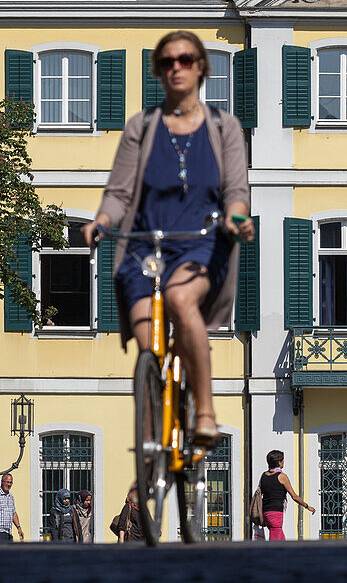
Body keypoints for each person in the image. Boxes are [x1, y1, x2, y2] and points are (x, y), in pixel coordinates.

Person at [82, 30, 254, 446]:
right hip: (145, 244)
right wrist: (101, 220)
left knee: (179, 299)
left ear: (200, 68)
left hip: (202, 241)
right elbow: (120, 192)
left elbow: (236, 189)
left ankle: (206, 411)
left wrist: (236, 218)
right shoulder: (141, 128)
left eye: (186, 60)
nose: (176, 67)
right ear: (159, 71)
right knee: (150, 350)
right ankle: (152, 451)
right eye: (167, 62)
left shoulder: (222, 126)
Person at [256, 450, 315, 540]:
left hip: (266, 513)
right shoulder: (282, 476)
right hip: (275, 514)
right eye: (283, 460)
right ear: (279, 462)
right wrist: (307, 506)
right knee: (275, 544)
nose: (284, 462)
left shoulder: (264, 475)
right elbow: (294, 496)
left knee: (282, 540)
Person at [0, 474, 25, 542]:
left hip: (8, 533)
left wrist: (19, 528)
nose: (9, 484)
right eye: (7, 482)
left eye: (10, 482)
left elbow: (13, 513)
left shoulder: (11, 497)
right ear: (2, 482)